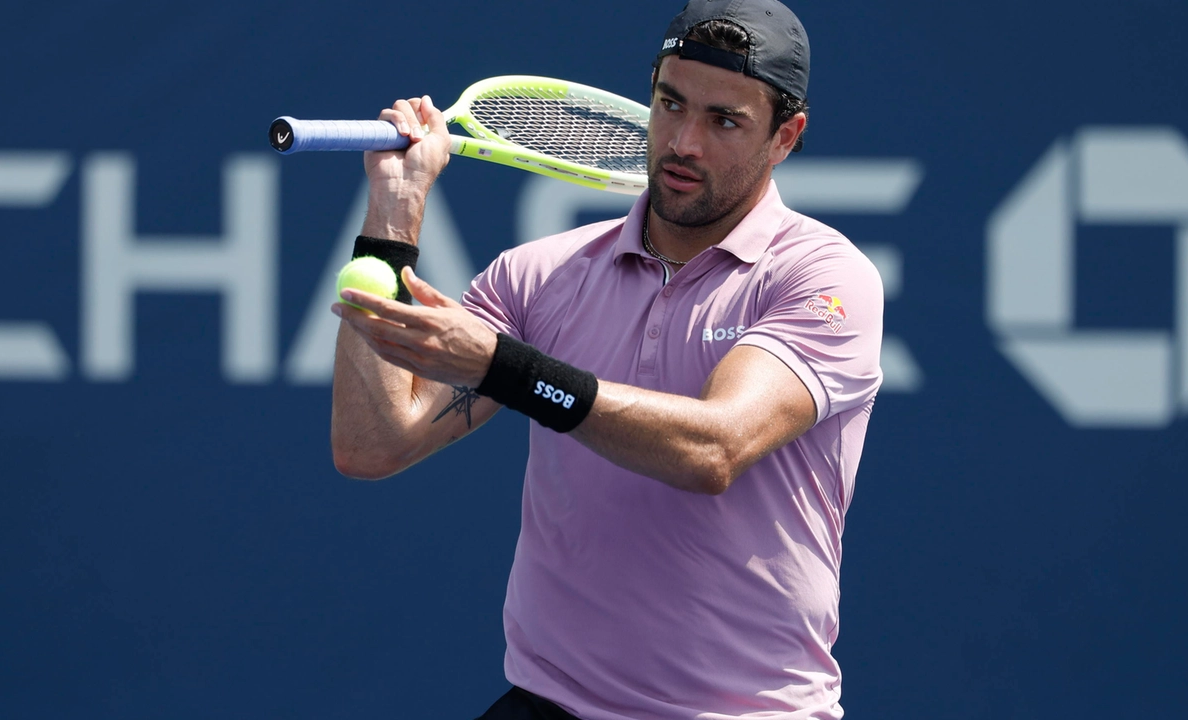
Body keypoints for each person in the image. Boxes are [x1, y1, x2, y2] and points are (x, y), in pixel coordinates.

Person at [329, 0, 883, 717]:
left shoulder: (823, 277)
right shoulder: (538, 275)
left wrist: (507, 368)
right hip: (548, 703)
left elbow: (712, 450)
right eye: (670, 104)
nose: (683, 142)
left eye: (724, 121)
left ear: (786, 136)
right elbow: (374, 446)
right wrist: (393, 215)